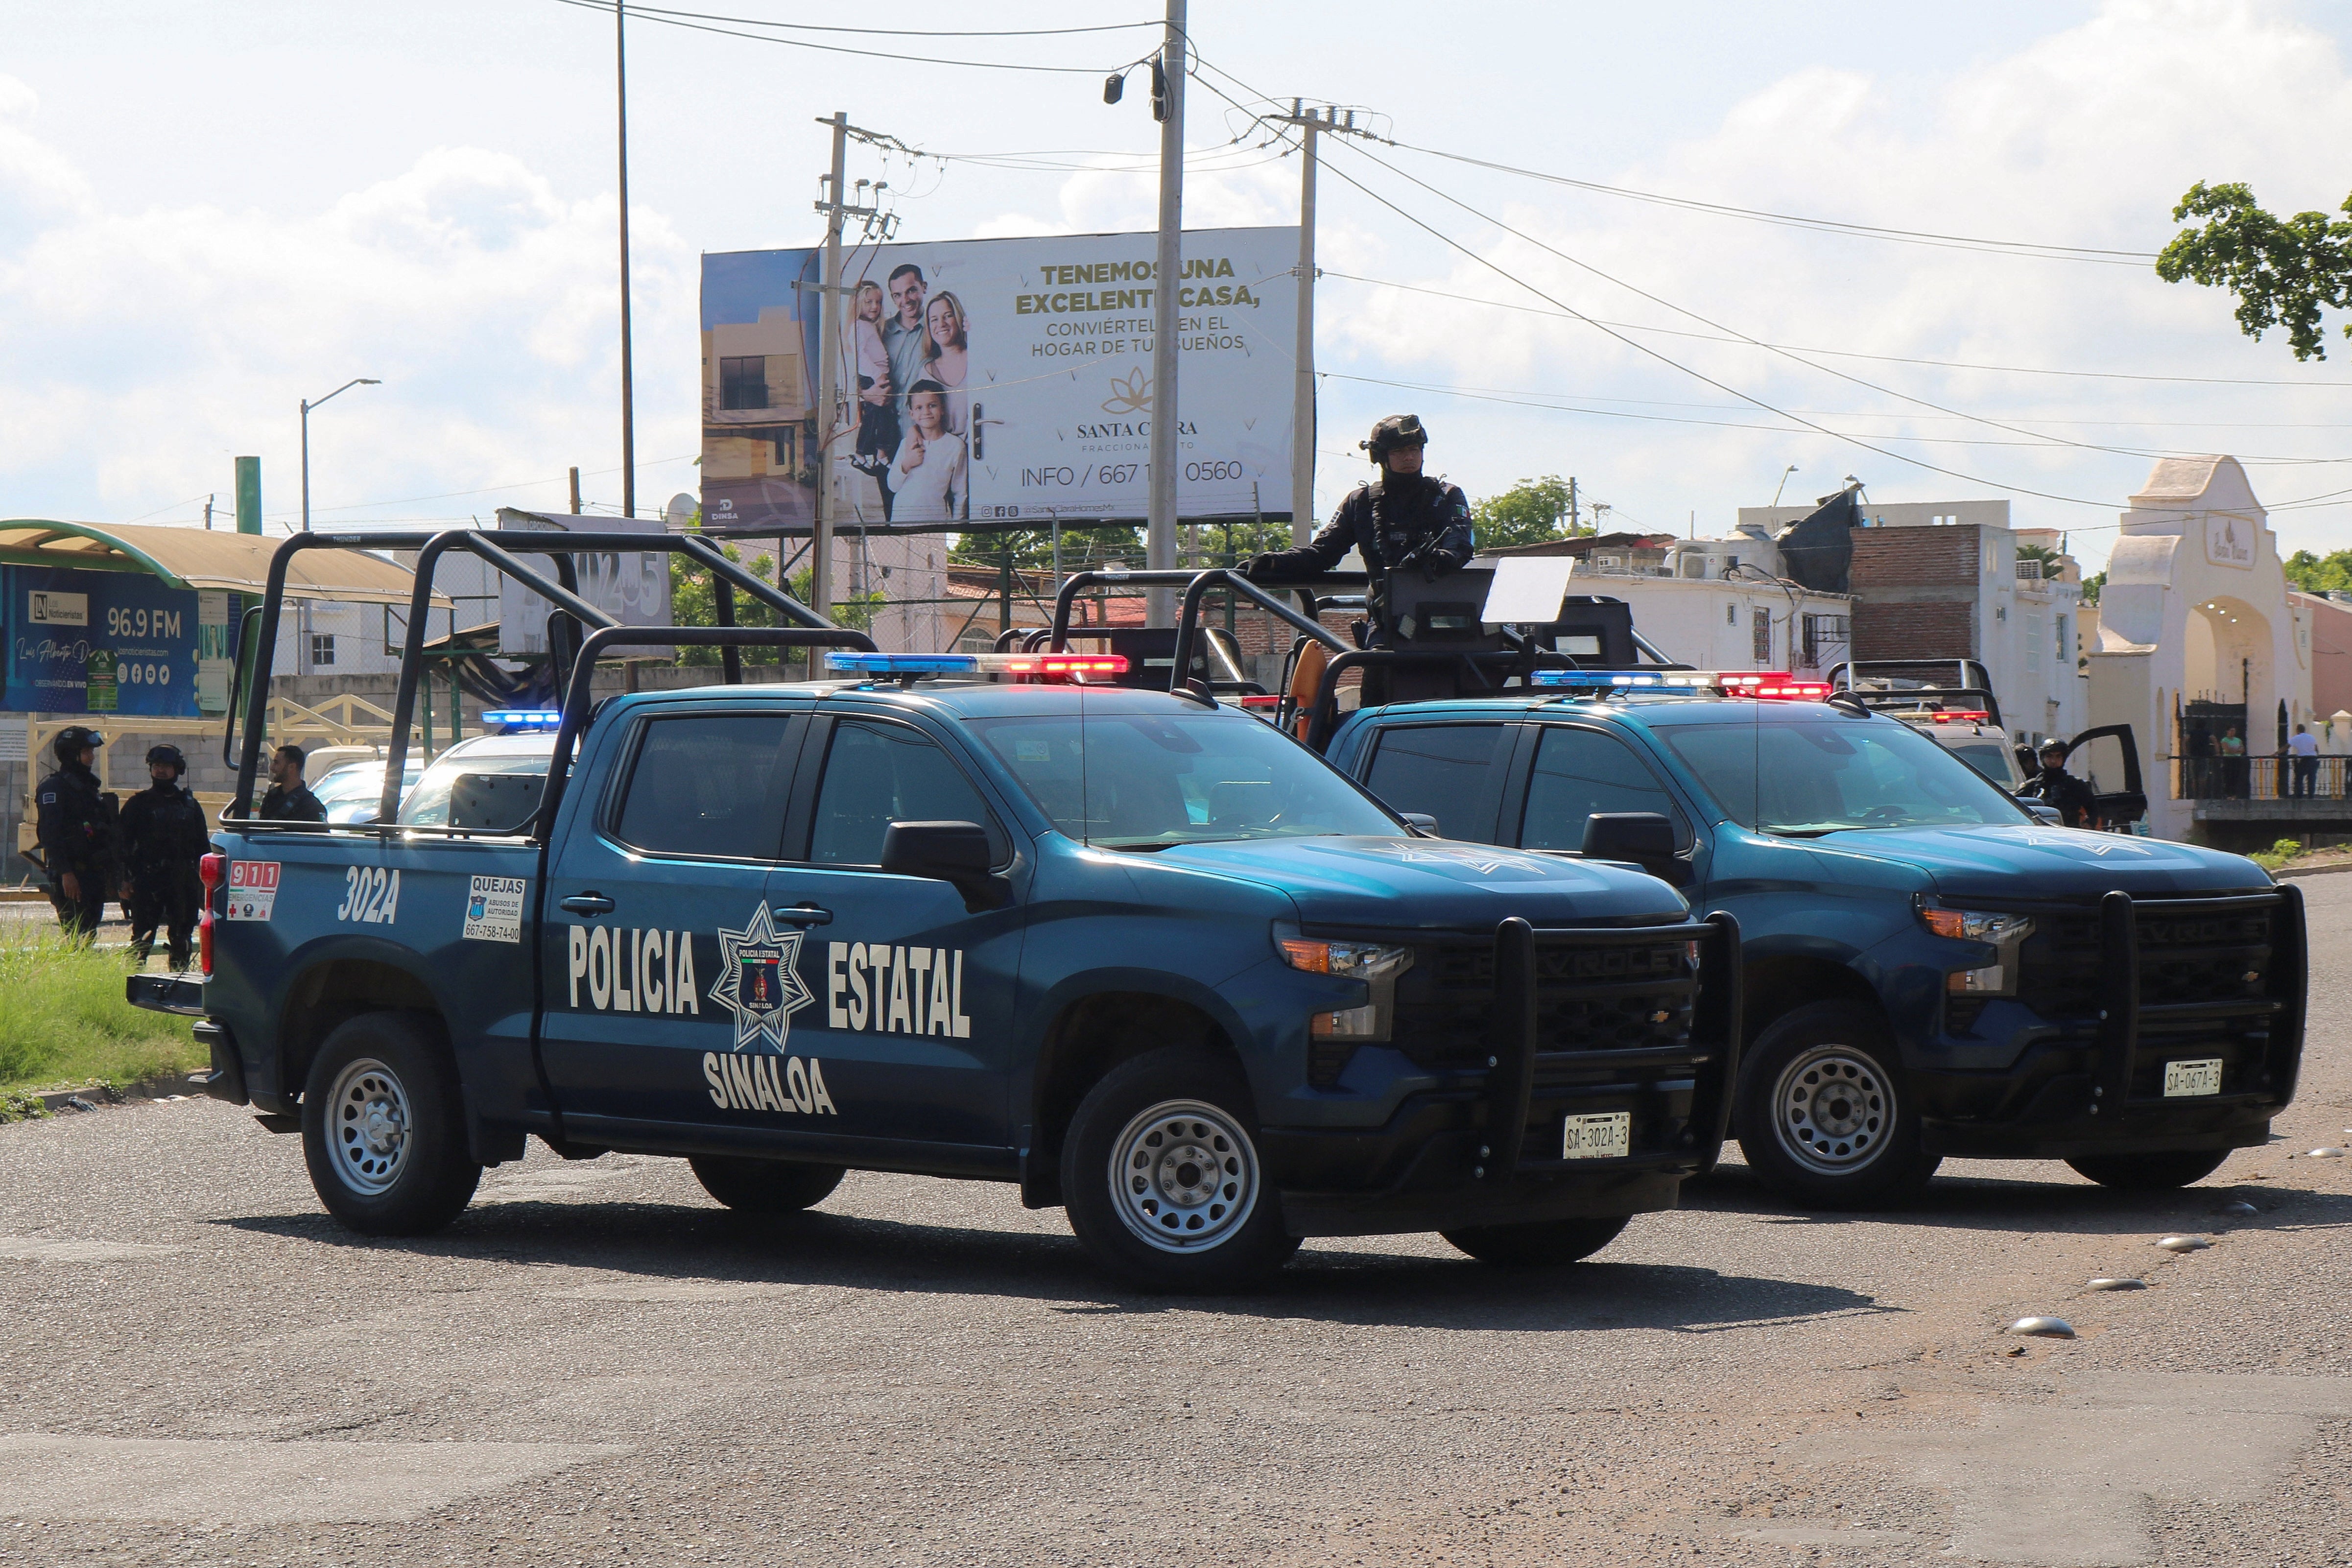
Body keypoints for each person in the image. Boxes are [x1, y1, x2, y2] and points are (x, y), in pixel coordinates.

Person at [1244, 414, 1474, 642]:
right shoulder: (1360, 503)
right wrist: (1273, 562)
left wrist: (1439, 559)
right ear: (1381, 456)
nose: (1409, 458)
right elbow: (1323, 553)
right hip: (1388, 620)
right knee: (1377, 666)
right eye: (1399, 452)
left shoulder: (1446, 496)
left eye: (1414, 450)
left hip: (1444, 614)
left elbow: (1459, 543)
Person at [117, 744, 208, 970]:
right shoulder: (138, 805)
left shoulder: (190, 806)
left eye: (166, 766)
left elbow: (202, 847)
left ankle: (179, 983)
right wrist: (123, 880)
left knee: (182, 938)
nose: (160, 771)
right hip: (148, 881)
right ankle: (133, 981)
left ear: (178, 769)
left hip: (182, 882)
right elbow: (121, 846)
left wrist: (205, 886)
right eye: (156, 766)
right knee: (142, 939)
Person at [35, 725, 116, 940]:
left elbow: (95, 827)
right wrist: (66, 874)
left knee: (89, 933)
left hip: (92, 873)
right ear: (72, 755)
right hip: (72, 875)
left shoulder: (87, 788)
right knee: (76, 935)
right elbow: (50, 834)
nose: (92, 757)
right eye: (87, 752)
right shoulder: (55, 788)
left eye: (92, 752)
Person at [890, 381, 966, 522]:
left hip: (935, 520)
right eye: (919, 408)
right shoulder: (906, 443)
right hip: (902, 519)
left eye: (932, 406)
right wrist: (907, 463)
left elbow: (960, 492)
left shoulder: (955, 446)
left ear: (942, 409)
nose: (926, 412)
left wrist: (957, 523)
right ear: (912, 414)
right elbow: (893, 486)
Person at [850, 279, 899, 490]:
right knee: (874, 418)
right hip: (873, 378)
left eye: (878, 302)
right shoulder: (858, 326)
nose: (875, 307)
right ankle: (862, 453)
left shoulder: (869, 326)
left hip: (878, 376)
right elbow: (860, 356)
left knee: (881, 419)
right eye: (868, 302)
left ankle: (879, 454)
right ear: (858, 303)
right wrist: (878, 376)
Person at [922, 290, 971, 434]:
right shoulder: (927, 372)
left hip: (984, 450)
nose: (941, 324)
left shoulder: (977, 358)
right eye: (934, 320)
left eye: (948, 316)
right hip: (948, 452)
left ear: (959, 318)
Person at [2023, 737, 2097, 828]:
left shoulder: (2075, 785)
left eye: (2058, 756)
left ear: (2064, 758)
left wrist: (2089, 823)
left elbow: (2094, 807)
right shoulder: (2033, 785)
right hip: (2041, 833)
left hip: (2070, 832)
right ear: (2043, 758)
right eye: (2049, 756)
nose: (2054, 761)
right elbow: (2012, 805)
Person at [258, 744, 326, 823]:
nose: (272, 768)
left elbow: (320, 834)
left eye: (277, 763)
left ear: (292, 767)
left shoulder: (312, 806)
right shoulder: (271, 798)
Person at [2290, 722, 2321, 798]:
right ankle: (2311, 796)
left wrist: (2276, 753)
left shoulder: (2296, 738)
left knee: (2299, 778)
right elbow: (2316, 749)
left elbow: (2287, 747)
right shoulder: (2312, 737)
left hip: (2303, 760)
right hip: (2313, 760)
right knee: (2312, 779)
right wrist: (2317, 756)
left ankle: (2299, 795)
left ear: (2297, 730)